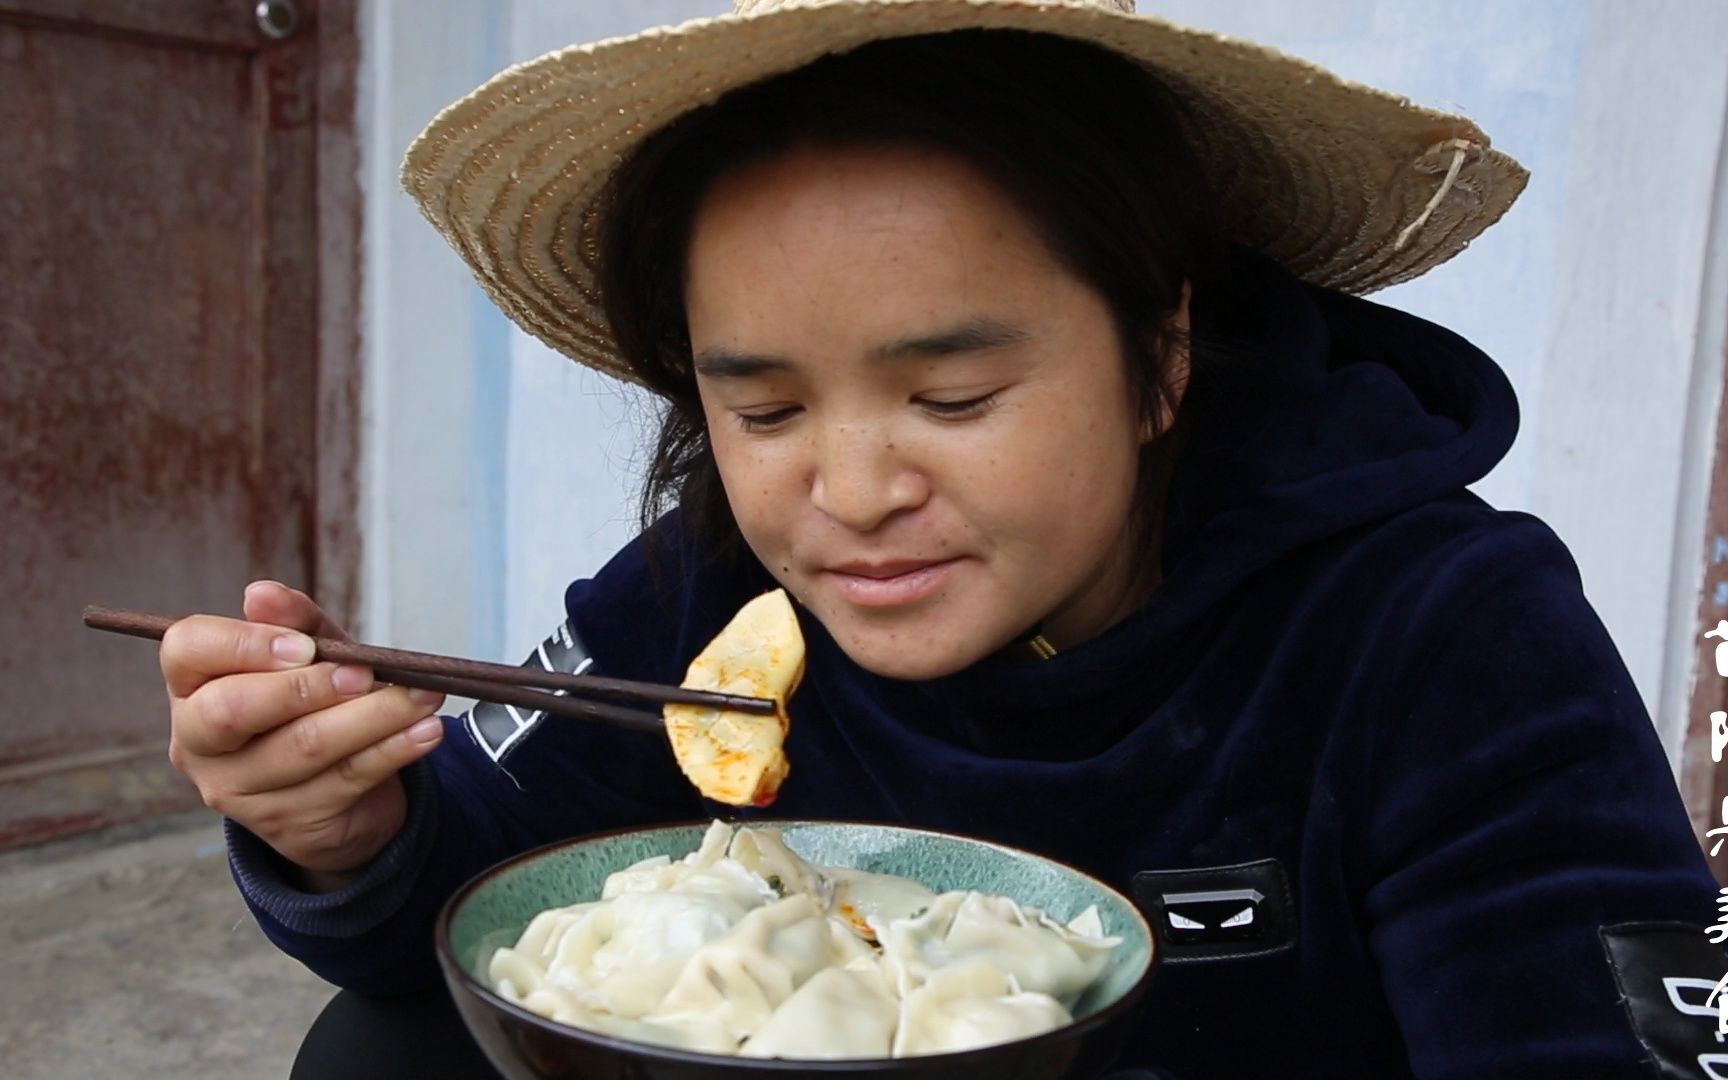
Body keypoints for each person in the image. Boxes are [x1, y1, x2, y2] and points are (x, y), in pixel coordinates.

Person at [157, 2, 1726, 1076]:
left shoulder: (1441, 636)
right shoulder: (720, 595)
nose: (846, 493)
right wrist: (344, 831)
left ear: (1163, 354)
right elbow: (476, 903)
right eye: (763, 413)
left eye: (953, 393)